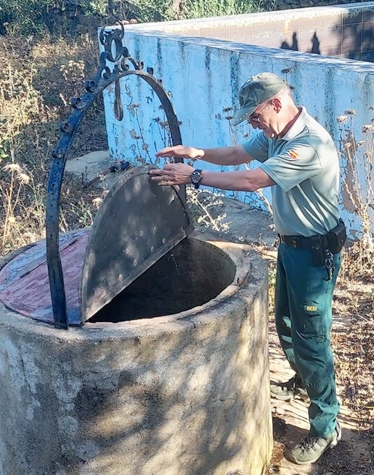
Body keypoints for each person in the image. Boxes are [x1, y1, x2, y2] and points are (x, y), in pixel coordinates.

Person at [149, 72, 345, 465]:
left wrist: (196, 177)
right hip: (291, 246)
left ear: (276, 103)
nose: (253, 125)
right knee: (287, 325)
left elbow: (253, 179)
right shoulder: (275, 133)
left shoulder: (308, 145)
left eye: (254, 116)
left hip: (313, 254)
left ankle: (327, 425)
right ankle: (304, 382)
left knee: (311, 338)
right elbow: (239, 154)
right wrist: (197, 153)